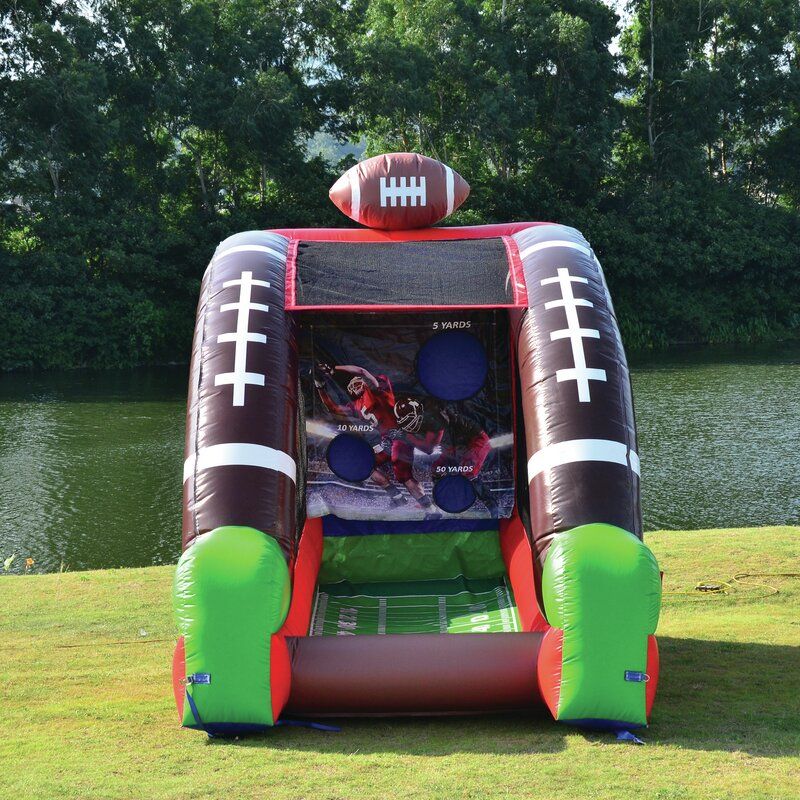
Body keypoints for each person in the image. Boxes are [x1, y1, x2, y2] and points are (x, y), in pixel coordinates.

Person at [314, 362, 406, 507]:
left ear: (365, 384)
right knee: (366, 468)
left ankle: (418, 500)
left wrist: (335, 368)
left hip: (395, 439)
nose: (355, 387)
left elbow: (362, 370)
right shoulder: (354, 405)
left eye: (357, 384)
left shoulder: (378, 391)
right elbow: (333, 408)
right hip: (379, 444)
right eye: (352, 386)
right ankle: (398, 497)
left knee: (405, 474)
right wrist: (321, 388)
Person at [393, 395, 497, 514]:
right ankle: (443, 500)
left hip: (475, 439)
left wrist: (407, 436)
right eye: (405, 421)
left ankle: (492, 506)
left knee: (467, 471)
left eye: (409, 419)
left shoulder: (435, 419)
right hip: (456, 444)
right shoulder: (424, 418)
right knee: (436, 470)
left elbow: (428, 448)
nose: (408, 424)